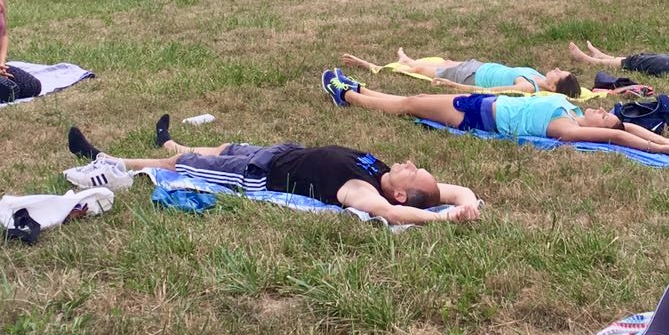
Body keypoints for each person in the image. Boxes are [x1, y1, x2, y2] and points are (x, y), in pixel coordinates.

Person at [66, 117, 482, 227]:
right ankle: (172, 140)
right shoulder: (387, 174)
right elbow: (457, 190)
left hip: (258, 176)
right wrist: (464, 207)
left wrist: (437, 222)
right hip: (282, 152)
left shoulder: (364, 190)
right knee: (223, 146)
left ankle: (110, 160)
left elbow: (390, 215)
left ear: (403, 194)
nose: (410, 163)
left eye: (413, 172)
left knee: (183, 167)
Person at [320, 69, 669, 156]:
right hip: (479, 102)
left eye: (604, 115)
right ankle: (361, 89)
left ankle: (347, 96)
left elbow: (617, 135)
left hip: (474, 114)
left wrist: (662, 148)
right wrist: (664, 138)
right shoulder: (572, 107)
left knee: (409, 105)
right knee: (413, 99)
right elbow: (621, 127)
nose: (604, 113)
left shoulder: (566, 126)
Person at [342, 48, 582, 97]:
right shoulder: (537, 75)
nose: (557, 69)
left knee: (421, 70)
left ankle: (374, 65)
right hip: (477, 66)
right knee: (445, 61)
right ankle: (408, 59)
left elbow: (491, 90)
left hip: (471, 77)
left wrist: (456, 88)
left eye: (559, 74)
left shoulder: (530, 86)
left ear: (552, 87)